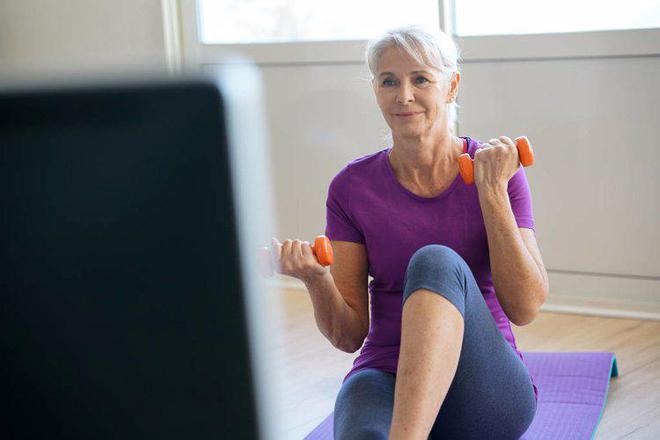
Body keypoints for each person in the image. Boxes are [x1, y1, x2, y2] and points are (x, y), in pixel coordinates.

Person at [271, 26, 549, 440]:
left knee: (435, 261)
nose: (403, 95)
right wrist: (315, 280)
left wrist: (490, 191)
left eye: (420, 79)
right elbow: (349, 336)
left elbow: (525, 307)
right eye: (389, 81)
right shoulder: (351, 188)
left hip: (483, 388)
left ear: (451, 85)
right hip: (385, 374)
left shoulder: (498, 172)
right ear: (375, 90)